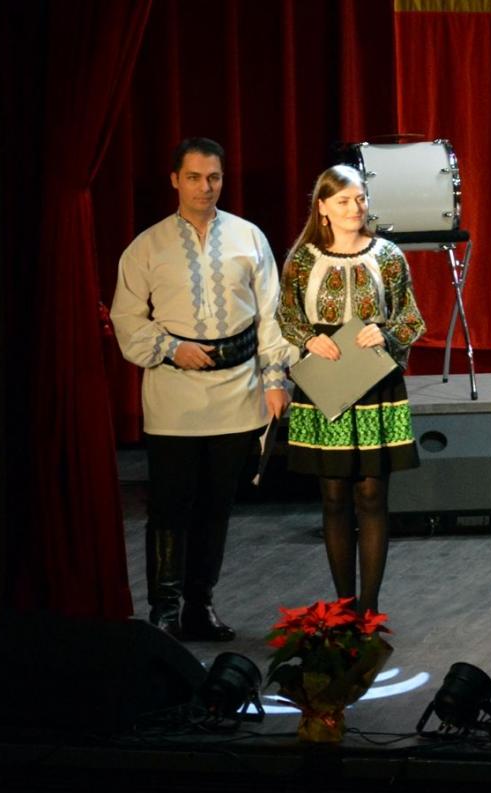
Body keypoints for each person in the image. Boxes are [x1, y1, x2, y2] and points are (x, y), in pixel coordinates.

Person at [111, 137, 296, 641]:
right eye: (193, 177)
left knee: (217, 506)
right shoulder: (147, 246)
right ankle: (164, 609)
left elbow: (271, 314)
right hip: (174, 393)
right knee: (170, 504)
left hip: (238, 390)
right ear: (175, 180)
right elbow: (126, 317)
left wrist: (275, 379)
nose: (204, 187)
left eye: (213, 177)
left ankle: (200, 606)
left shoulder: (248, 237)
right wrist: (170, 347)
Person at [276, 164, 425, 613]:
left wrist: (387, 333)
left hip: (374, 380)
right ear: (322, 207)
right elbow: (286, 315)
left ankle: (370, 608)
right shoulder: (303, 259)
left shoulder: (387, 255)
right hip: (328, 377)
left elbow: (411, 317)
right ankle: (343, 606)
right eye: (343, 200)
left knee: (372, 494)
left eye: (360, 198)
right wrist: (308, 339)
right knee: (334, 495)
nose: (355, 208)